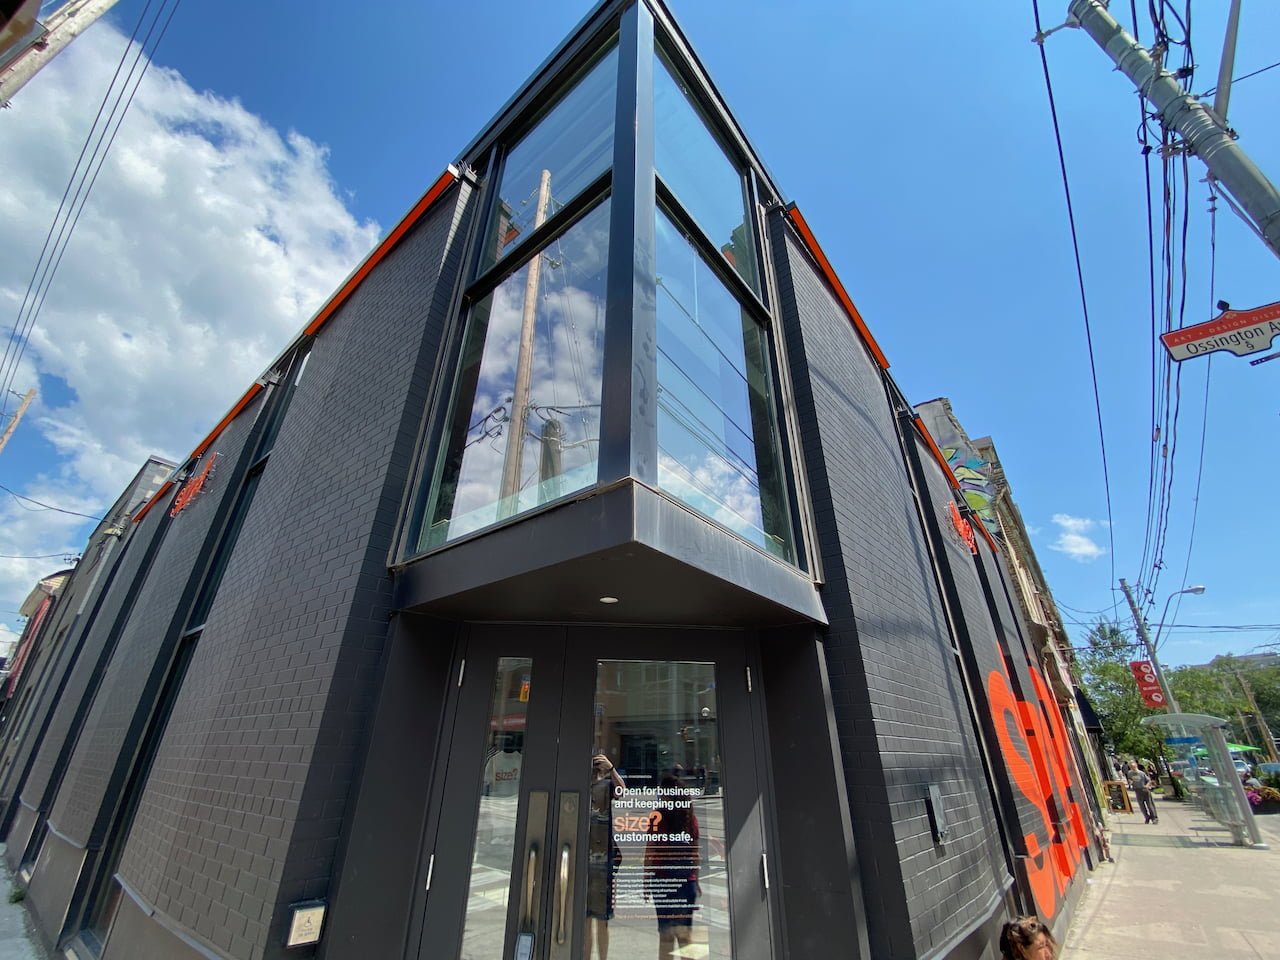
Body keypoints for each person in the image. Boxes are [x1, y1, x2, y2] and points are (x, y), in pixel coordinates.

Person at [645, 773, 700, 960]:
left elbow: (650, 850)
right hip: (686, 881)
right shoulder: (689, 817)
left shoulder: (657, 816)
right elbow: (695, 853)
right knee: (684, 937)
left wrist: (646, 880)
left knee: (666, 937)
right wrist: (696, 880)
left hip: (663, 881)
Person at [585, 754, 626, 960]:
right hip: (583, 861)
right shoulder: (581, 786)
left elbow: (621, 792)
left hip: (602, 862)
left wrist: (611, 770)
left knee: (602, 919)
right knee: (585, 920)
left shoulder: (605, 786)